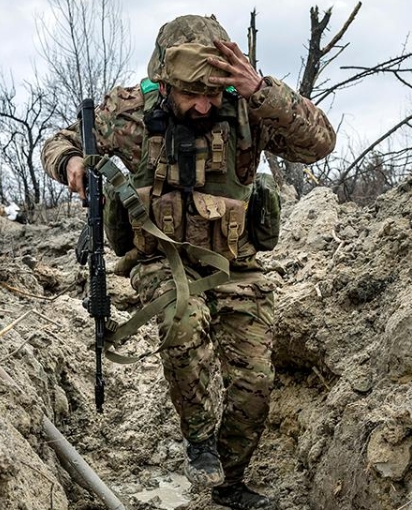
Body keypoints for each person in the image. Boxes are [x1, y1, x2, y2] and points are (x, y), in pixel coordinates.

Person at [42, 14, 335, 510]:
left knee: (255, 381)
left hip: (233, 265)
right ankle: (198, 440)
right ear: (166, 82)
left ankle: (230, 481)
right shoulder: (128, 112)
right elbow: (59, 142)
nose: (204, 104)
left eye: (213, 93)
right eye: (192, 94)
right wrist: (70, 162)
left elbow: (319, 142)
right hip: (158, 258)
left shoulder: (248, 107)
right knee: (182, 318)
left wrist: (262, 90)